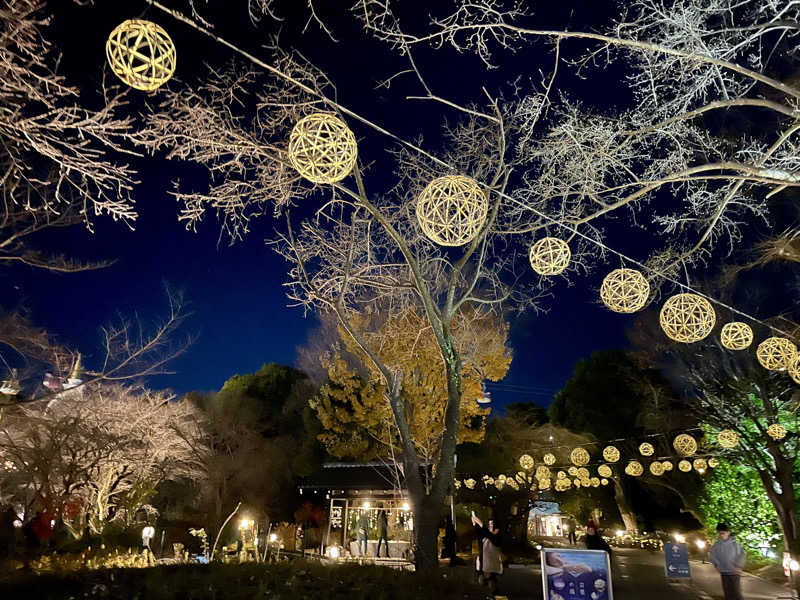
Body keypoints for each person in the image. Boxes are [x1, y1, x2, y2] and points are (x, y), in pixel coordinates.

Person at [710, 523, 745, 600]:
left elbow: (742, 555)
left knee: (736, 592)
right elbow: (712, 555)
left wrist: (738, 565)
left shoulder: (735, 544)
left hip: (735, 572)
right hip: (723, 572)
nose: (721, 535)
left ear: (728, 533)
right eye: (719, 533)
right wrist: (716, 565)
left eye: (723, 533)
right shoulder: (717, 545)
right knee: (727, 592)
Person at [472, 513, 503, 594]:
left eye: (492, 524)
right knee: (482, 584)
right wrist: (475, 524)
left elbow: (491, 536)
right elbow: (481, 533)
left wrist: (481, 524)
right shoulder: (487, 535)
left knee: (491, 584)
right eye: (489, 524)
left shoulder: (497, 537)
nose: (490, 526)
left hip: (492, 565)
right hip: (482, 564)